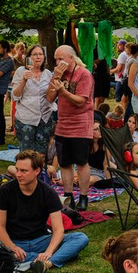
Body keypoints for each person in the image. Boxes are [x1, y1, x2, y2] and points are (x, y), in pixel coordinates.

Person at [0, 150, 89, 273]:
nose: (18, 174)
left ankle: (47, 263)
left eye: (24, 171)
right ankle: (49, 258)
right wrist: (13, 247)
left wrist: (48, 252)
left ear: (37, 171)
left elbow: (58, 229)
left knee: (80, 238)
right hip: (15, 242)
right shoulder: (5, 191)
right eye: (17, 170)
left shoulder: (48, 193)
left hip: (41, 240)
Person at [46, 45, 94, 211]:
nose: (58, 62)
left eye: (61, 59)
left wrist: (64, 92)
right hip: (63, 125)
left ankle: (83, 197)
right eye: (56, 59)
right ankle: (68, 197)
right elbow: (49, 97)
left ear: (71, 59)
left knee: (81, 162)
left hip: (81, 124)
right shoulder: (58, 75)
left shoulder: (84, 74)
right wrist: (56, 78)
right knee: (65, 163)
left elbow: (81, 101)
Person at [11, 44, 56, 156]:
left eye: (40, 54)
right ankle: (24, 172)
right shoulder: (21, 71)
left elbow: (51, 95)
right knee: (26, 153)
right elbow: (15, 96)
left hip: (44, 118)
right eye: (35, 54)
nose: (38, 57)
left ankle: (40, 173)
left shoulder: (48, 74)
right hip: (26, 118)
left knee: (41, 154)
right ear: (29, 57)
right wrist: (24, 81)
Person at [111, 39, 129, 105]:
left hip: (120, 79)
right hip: (125, 79)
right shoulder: (127, 54)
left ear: (124, 46)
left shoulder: (122, 55)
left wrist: (109, 71)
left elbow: (119, 69)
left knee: (120, 100)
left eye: (119, 45)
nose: (117, 46)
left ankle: (121, 113)